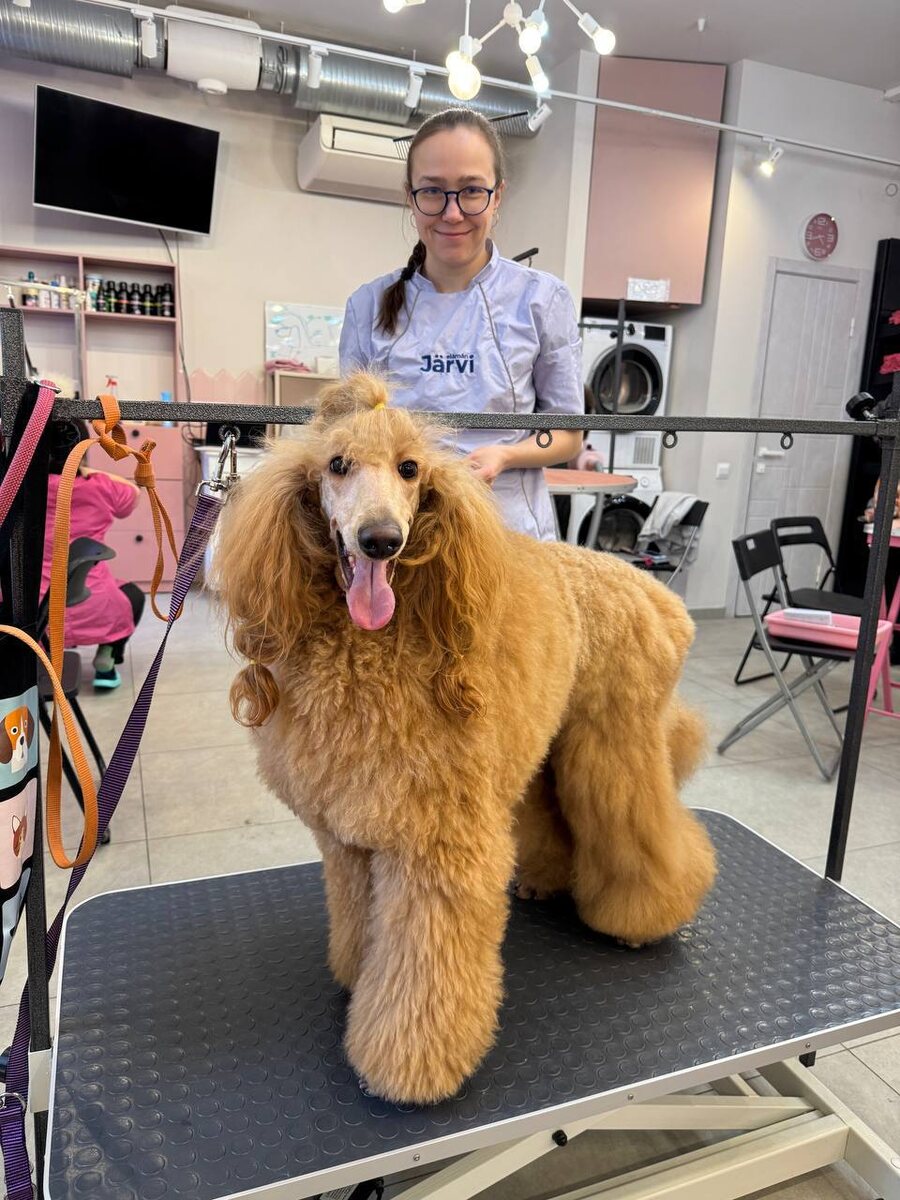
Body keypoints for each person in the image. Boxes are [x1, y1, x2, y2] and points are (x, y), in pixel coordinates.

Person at [339, 107, 584, 541]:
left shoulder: (542, 300)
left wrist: (506, 455)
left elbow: (567, 434)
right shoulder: (367, 306)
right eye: (433, 192)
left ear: (498, 195)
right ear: (410, 197)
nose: (452, 213)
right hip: (400, 536)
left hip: (509, 535)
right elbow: (347, 435)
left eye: (471, 191)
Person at [40, 420, 145, 690]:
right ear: (83, 450)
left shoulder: (20, 489)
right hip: (93, 599)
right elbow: (133, 494)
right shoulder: (100, 486)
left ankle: (42, 658)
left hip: (37, 609)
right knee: (133, 596)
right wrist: (85, 469)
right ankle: (106, 662)